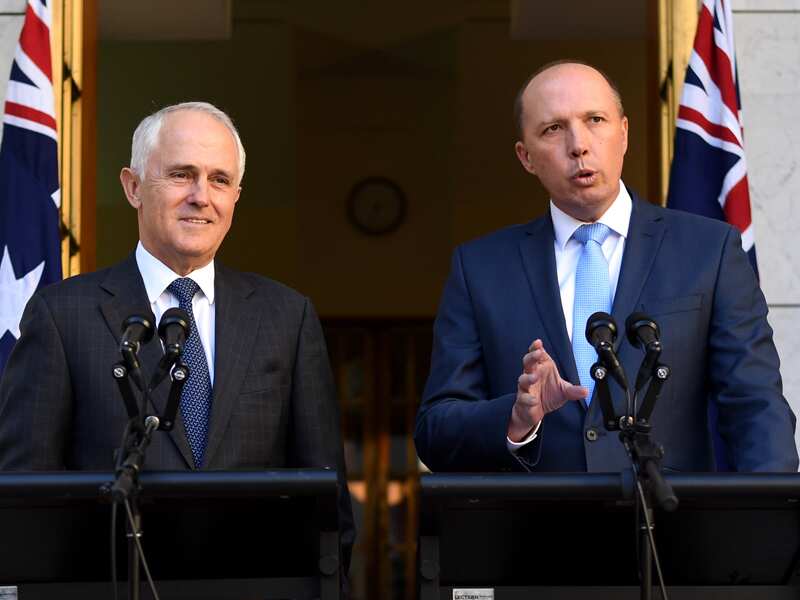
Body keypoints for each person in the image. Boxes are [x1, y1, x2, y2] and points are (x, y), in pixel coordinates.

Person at [0, 102, 354, 576]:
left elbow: (327, 504)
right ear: (132, 187)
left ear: (236, 197)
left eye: (220, 180)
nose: (201, 196)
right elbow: (25, 495)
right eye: (182, 175)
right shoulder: (62, 315)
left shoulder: (286, 317)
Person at [415, 61, 798, 473]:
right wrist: (516, 417)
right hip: (534, 531)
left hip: (669, 528)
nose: (578, 144)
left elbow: (755, 406)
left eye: (595, 119)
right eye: (553, 129)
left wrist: (770, 526)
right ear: (526, 157)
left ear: (624, 133)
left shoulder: (709, 250)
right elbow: (436, 431)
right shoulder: (481, 269)